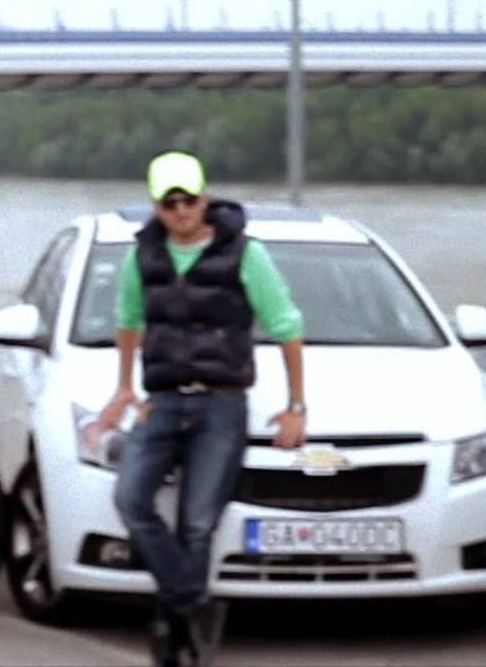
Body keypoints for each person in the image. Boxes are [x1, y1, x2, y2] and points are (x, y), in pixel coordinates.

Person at [90, 151, 307, 667]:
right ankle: (195, 606)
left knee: (197, 523)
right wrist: (123, 387)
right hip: (164, 400)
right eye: (169, 203)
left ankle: (174, 637)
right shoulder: (142, 256)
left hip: (221, 403)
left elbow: (286, 326)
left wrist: (296, 405)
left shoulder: (246, 253)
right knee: (131, 499)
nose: (181, 211)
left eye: (189, 199)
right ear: (156, 206)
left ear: (205, 198)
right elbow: (127, 320)